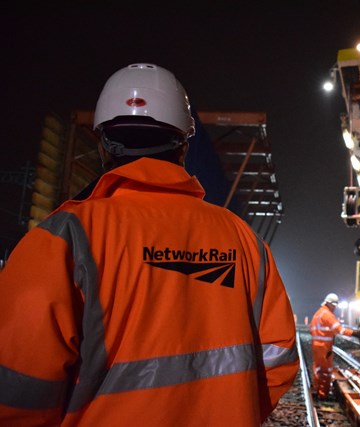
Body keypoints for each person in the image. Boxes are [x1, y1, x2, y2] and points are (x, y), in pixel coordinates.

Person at [0, 63, 299, 426]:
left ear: (102, 146)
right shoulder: (243, 240)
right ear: (183, 146)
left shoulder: (63, 238)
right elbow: (278, 359)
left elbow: (17, 392)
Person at [309, 293, 360, 399]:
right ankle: (323, 394)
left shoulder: (318, 313)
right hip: (324, 346)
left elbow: (312, 329)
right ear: (328, 303)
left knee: (318, 369)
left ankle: (317, 389)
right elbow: (339, 329)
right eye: (334, 305)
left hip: (317, 345)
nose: (335, 307)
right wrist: (355, 333)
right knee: (325, 371)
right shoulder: (327, 315)